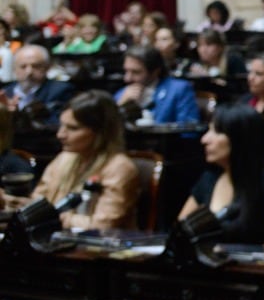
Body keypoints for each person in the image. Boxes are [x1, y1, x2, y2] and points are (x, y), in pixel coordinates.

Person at [178, 104, 264, 250]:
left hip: (253, 269)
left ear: (239, 138)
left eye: (216, 131)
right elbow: (181, 232)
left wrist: (231, 252)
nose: (204, 139)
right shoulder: (209, 177)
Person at [16, 90, 139, 230]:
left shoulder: (119, 168)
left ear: (99, 132)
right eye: (61, 125)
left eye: (72, 128)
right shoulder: (64, 158)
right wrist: (10, 201)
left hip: (99, 248)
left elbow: (104, 225)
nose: (60, 134)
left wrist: (54, 217)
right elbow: (36, 204)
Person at [114, 45, 200, 125]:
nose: (127, 78)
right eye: (126, 71)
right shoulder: (121, 94)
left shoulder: (179, 90)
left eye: (136, 72)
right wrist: (120, 106)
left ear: (155, 71)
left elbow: (189, 130)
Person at [1, 45, 76, 126]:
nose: (29, 72)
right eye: (23, 67)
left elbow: (58, 124)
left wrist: (19, 117)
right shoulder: (5, 93)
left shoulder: (61, 90)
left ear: (47, 68)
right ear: (14, 69)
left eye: (36, 66)